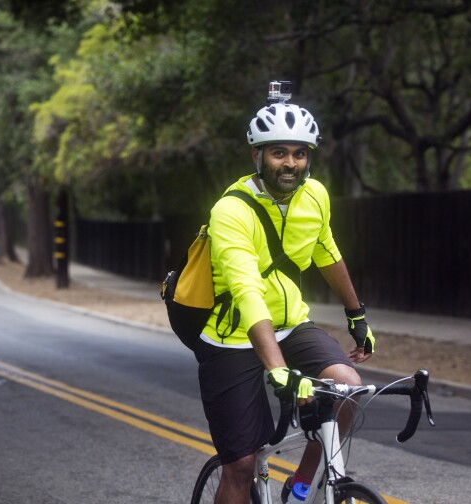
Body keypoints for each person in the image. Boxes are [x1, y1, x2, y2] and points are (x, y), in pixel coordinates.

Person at [193, 84, 375, 504]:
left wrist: (356, 315)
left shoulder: (315, 195)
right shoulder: (231, 211)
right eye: (279, 152)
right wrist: (276, 368)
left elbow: (326, 252)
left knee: (345, 387)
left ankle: (298, 486)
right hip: (233, 336)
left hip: (291, 324)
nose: (290, 163)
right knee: (240, 465)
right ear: (256, 156)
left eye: (300, 153)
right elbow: (246, 291)